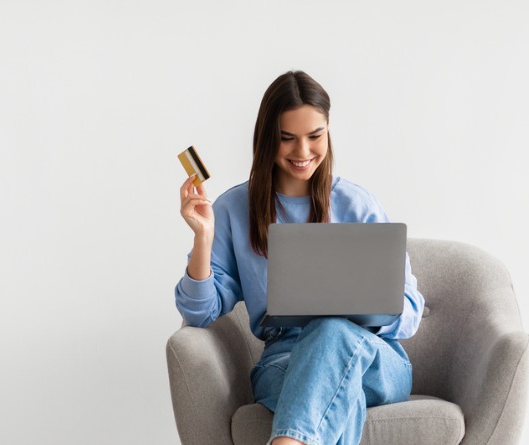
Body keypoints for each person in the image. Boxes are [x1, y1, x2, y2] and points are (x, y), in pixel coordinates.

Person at [175, 70, 425, 445]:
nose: (303, 152)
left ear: (328, 132)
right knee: (342, 398)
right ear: (266, 139)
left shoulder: (357, 204)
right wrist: (203, 238)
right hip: (284, 360)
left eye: (315, 136)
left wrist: (359, 311)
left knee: (332, 331)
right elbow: (199, 313)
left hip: (374, 358)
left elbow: (410, 309)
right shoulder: (233, 209)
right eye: (287, 139)